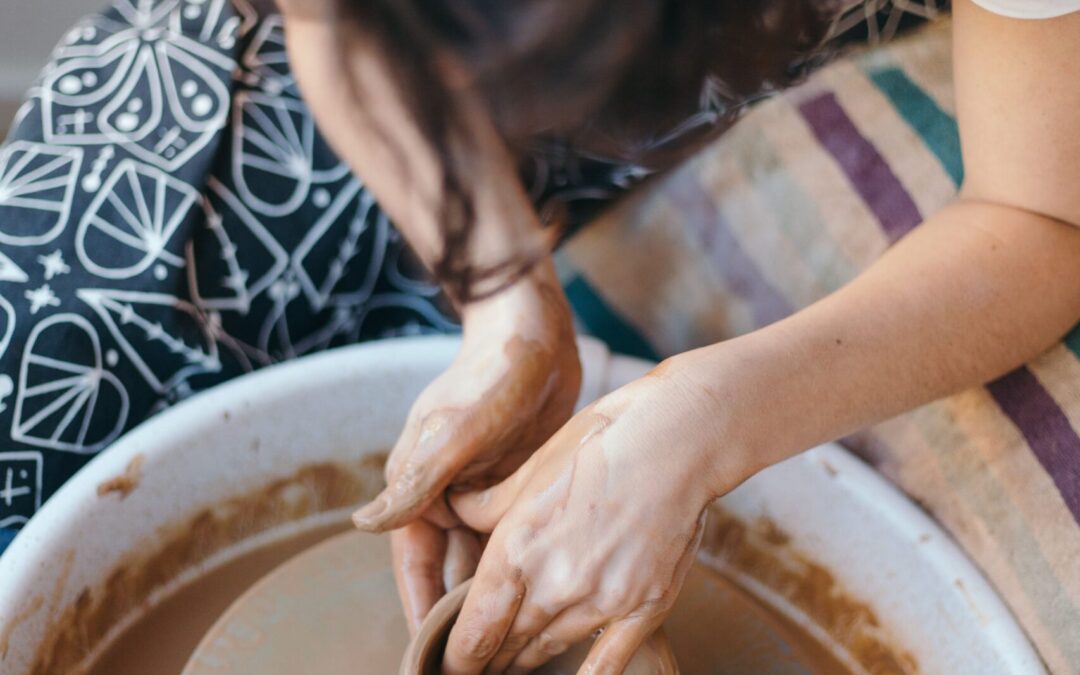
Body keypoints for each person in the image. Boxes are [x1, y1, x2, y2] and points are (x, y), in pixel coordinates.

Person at [0, 0, 1077, 673]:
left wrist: (703, 420)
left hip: (751, 80)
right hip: (377, 83)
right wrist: (505, 297)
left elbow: (1046, 216)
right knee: (53, 348)